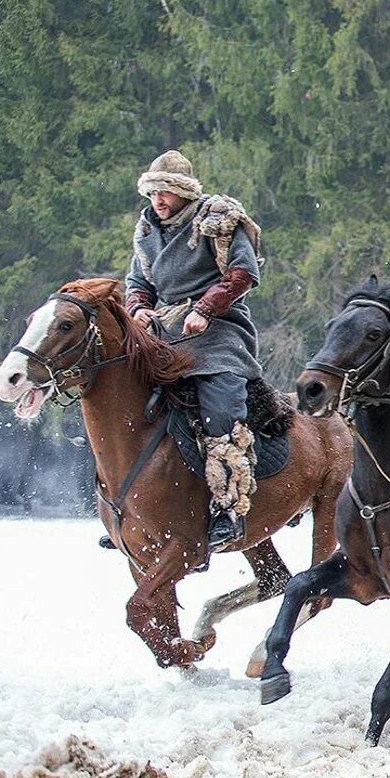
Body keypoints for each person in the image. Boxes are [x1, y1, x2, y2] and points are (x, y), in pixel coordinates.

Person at [124, 150, 263, 551]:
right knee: (126, 397)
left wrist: (205, 308)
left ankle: (229, 507)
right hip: (163, 335)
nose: (159, 200)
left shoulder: (216, 221)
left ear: (184, 192)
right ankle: (134, 505)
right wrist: (139, 309)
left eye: (166, 191)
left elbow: (243, 272)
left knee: (221, 406)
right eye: (153, 192)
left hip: (219, 332)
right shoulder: (147, 230)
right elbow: (138, 282)